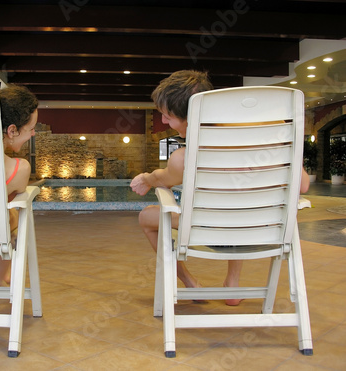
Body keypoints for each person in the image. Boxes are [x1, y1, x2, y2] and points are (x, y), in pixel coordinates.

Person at [130, 70, 310, 306]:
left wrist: (145, 177)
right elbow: (304, 185)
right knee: (238, 206)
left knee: (146, 217)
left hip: (207, 231)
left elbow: (162, 179)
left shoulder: (183, 158)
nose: (163, 121)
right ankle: (232, 286)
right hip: (264, 232)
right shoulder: (266, 143)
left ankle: (190, 283)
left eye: (168, 116)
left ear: (191, 117)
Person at [0, 85, 38, 286]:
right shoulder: (20, 168)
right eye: (31, 128)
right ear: (12, 130)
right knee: (11, 215)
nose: (33, 134)